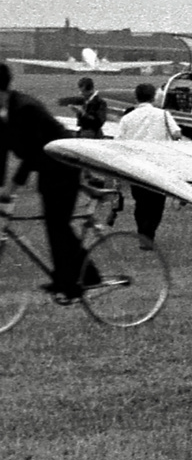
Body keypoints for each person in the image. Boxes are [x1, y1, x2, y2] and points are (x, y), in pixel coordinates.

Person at [0, 63, 93, 300]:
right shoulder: (5, 112)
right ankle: (70, 278)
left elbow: (33, 151)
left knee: (58, 225)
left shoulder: (25, 108)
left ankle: (78, 279)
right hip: (47, 169)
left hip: (64, 165)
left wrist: (11, 188)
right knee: (54, 226)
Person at [115, 82, 182, 246]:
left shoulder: (127, 118)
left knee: (140, 201)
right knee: (157, 202)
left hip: (135, 164)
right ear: (153, 97)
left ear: (136, 97)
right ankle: (149, 233)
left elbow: (119, 141)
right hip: (158, 163)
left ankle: (142, 233)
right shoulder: (163, 115)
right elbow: (176, 133)